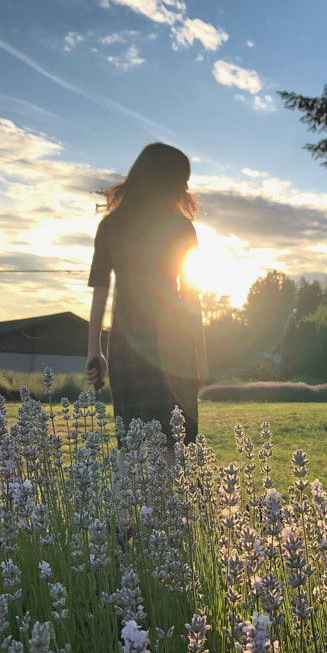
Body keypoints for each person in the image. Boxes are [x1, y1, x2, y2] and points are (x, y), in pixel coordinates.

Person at [86, 142, 208, 444]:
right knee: (176, 443)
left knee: (134, 444)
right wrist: (201, 356)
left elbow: (100, 293)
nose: (185, 188)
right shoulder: (181, 228)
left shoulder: (111, 226)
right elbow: (190, 296)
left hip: (126, 343)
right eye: (182, 180)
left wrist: (94, 350)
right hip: (173, 342)